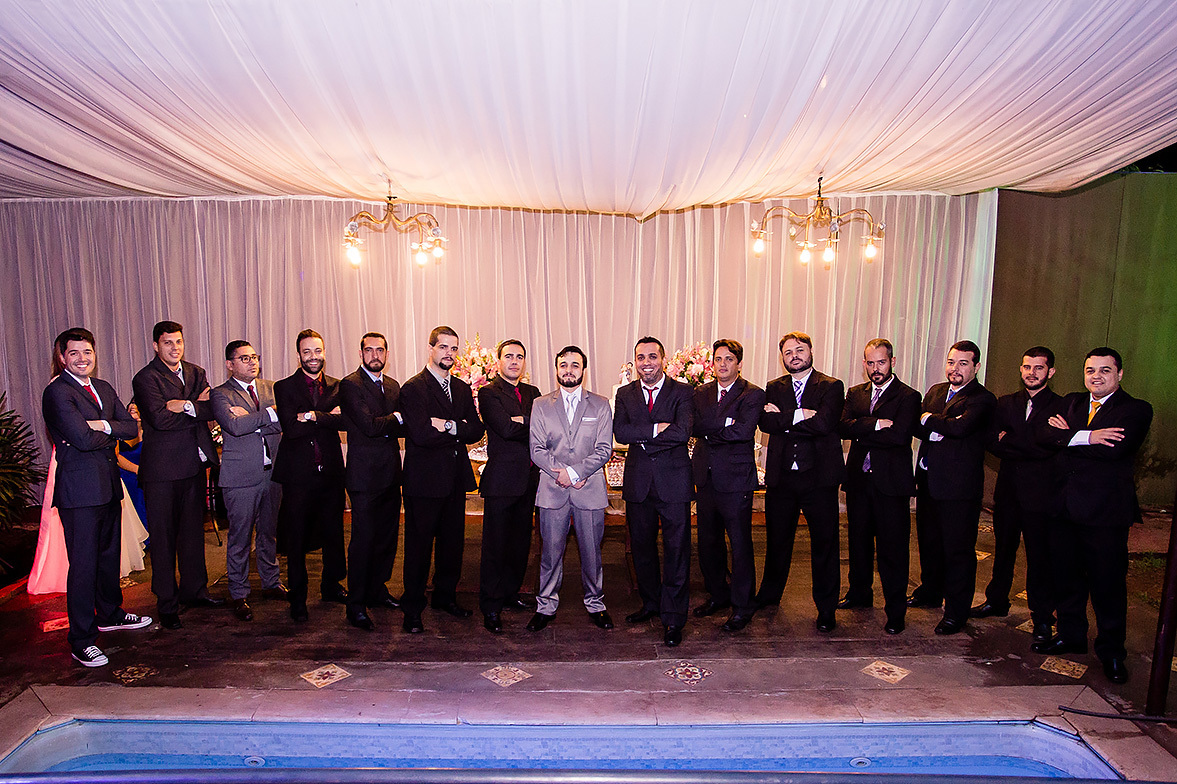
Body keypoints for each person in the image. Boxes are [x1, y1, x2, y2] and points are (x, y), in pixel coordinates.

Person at [1035, 347, 1152, 684]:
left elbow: (1115, 449)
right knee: (1066, 579)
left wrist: (1068, 438)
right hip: (1064, 509)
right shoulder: (1072, 402)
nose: (1095, 377)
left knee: (1108, 585)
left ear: (1119, 374)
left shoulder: (1136, 409)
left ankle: (1112, 652)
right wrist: (1088, 436)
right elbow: (1044, 435)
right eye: (1090, 370)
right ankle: (1071, 636)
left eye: (1104, 370)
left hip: (1104, 514)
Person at [42, 328, 151, 667]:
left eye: (87, 351)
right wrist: (109, 427)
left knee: (108, 559)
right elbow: (80, 437)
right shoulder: (57, 392)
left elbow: (131, 429)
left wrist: (100, 426)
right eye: (74, 353)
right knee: (84, 566)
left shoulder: (102, 387)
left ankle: (110, 613)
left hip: (107, 486)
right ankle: (82, 638)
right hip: (79, 493)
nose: (82, 358)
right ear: (62, 357)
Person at [132, 320, 224, 630]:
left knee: (191, 534)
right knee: (164, 538)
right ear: (156, 346)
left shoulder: (196, 372)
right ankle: (167, 602)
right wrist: (195, 408)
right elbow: (158, 420)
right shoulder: (145, 378)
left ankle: (195, 591)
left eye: (179, 342)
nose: (175, 348)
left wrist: (184, 406)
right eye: (168, 343)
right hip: (161, 471)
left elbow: (212, 410)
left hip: (194, 466)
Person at [756, 332, 846, 633]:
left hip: (819, 480)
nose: (794, 355)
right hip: (782, 479)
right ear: (782, 357)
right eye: (788, 352)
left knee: (825, 544)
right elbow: (766, 423)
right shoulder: (774, 387)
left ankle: (825, 608)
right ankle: (769, 596)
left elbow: (825, 424)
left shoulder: (832, 387)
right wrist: (801, 415)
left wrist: (786, 419)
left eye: (800, 350)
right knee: (777, 542)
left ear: (810, 352)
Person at [399, 326, 485, 633]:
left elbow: (476, 430)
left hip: (453, 479)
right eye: (443, 347)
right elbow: (420, 435)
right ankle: (412, 609)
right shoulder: (413, 388)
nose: (448, 353)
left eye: (453, 348)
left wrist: (447, 425)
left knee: (452, 546)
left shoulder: (461, 388)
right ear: (430, 348)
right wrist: (457, 430)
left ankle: (445, 597)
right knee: (419, 549)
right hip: (423, 482)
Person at [975, 346, 1061, 643]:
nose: (1031, 373)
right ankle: (996, 600)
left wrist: (1012, 439)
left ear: (1050, 372)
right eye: (1026, 367)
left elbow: (1051, 446)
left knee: (1040, 557)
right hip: (1008, 491)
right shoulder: (1006, 403)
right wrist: (1033, 442)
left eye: (1038, 368)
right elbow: (991, 441)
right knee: (1003, 551)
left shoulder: (1062, 406)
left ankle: (1042, 617)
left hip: (1041, 496)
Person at [526, 345, 615, 633]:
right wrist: (563, 474)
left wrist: (576, 473)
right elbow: (537, 449)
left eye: (575, 365)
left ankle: (596, 602)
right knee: (550, 553)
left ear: (584, 371)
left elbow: (604, 449)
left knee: (592, 552)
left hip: (589, 489)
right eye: (563, 364)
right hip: (552, 489)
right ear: (556, 369)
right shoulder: (541, 404)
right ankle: (545, 605)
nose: (568, 370)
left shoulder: (600, 405)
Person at [911, 339, 997, 635]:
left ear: (976, 367)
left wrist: (931, 421)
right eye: (951, 362)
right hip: (928, 481)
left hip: (959, 490)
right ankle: (931, 591)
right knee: (929, 542)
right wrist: (940, 425)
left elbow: (961, 428)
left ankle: (956, 612)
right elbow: (915, 425)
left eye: (963, 363)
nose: (955, 369)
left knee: (958, 550)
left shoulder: (983, 399)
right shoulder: (936, 391)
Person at [613, 336, 693, 647]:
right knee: (642, 549)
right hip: (639, 483)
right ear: (635, 362)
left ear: (663, 359)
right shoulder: (625, 394)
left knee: (676, 551)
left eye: (652, 357)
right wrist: (656, 429)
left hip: (674, 482)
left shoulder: (683, 392)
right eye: (641, 358)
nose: (647, 363)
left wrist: (643, 437)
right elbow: (621, 432)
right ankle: (651, 603)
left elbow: (682, 431)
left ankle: (673, 618)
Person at [837, 338, 921, 634]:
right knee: (858, 544)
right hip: (859, 482)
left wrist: (862, 427)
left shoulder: (909, 396)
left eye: (881, 363)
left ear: (893, 362)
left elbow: (899, 437)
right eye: (870, 363)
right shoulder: (855, 393)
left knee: (892, 550)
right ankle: (859, 594)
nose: (876, 369)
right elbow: (843, 427)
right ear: (864, 365)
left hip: (892, 486)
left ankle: (895, 611)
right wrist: (875, 424)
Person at [272, 329, 348, 623]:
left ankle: (331, 586)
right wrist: (325, 415)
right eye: (307, 352)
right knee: (297, 538)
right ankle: (298, 598)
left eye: (318, 351)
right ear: (298, 355)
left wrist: (312, 415)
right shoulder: (284, 387)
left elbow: (345, 422)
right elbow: (291, 429)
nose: (313, 357)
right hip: (297, 476)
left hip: (330, 473)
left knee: (333, 534)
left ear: (324, 351)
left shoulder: (338, 386)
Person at [690, 339, 765, 633]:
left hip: (735, 481)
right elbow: (694, 426)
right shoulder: (701, 392)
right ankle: (718, 595)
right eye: (718, 359)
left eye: (729, 359)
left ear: (739, 363)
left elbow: (744, 431)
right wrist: (723, 425)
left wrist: (713, 429)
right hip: (706, 478)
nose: (722, 364)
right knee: (708, 543)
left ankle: (743, 606)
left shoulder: (753, 393)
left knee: (740, 544)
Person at [210, 340, 286, 623]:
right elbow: (234, 426)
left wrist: (254, 418)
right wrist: (268, 414)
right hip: (240, 477)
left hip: (273, 473)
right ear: (230, 364)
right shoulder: (220, 394)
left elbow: (284, 422)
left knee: (268, 532)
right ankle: (239, 592)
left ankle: (271, 582)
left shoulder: (271, 387)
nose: (252, 362)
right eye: (244, 358)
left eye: (254, 357)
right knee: (241, 537)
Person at [338, 332, 404, 631]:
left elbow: (391, 426)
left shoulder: (392, 385)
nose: (375, 354)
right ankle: (356, 604)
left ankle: (378, 590)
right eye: (369, 350)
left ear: (387, 354)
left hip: (391, 473)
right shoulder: (351, 385)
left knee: (387, 539)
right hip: (363, 477)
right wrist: (395, 419)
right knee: (363, 541)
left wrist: (390, 421)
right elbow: (368, 425)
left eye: (380, 350)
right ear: (361, 353)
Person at [477, 339, 541, 633]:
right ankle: (491, 605)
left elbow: (544, 428)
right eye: (509, 356)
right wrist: (525, 423)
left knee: (520, 543)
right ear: (499, 361)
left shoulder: (533, 392)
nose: (514, 361)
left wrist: (521, 420)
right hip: (502, 481)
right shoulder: (488, 392)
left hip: (530, 480)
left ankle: (511, 593)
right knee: (495, 546)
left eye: (520, 357)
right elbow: (503, 428)